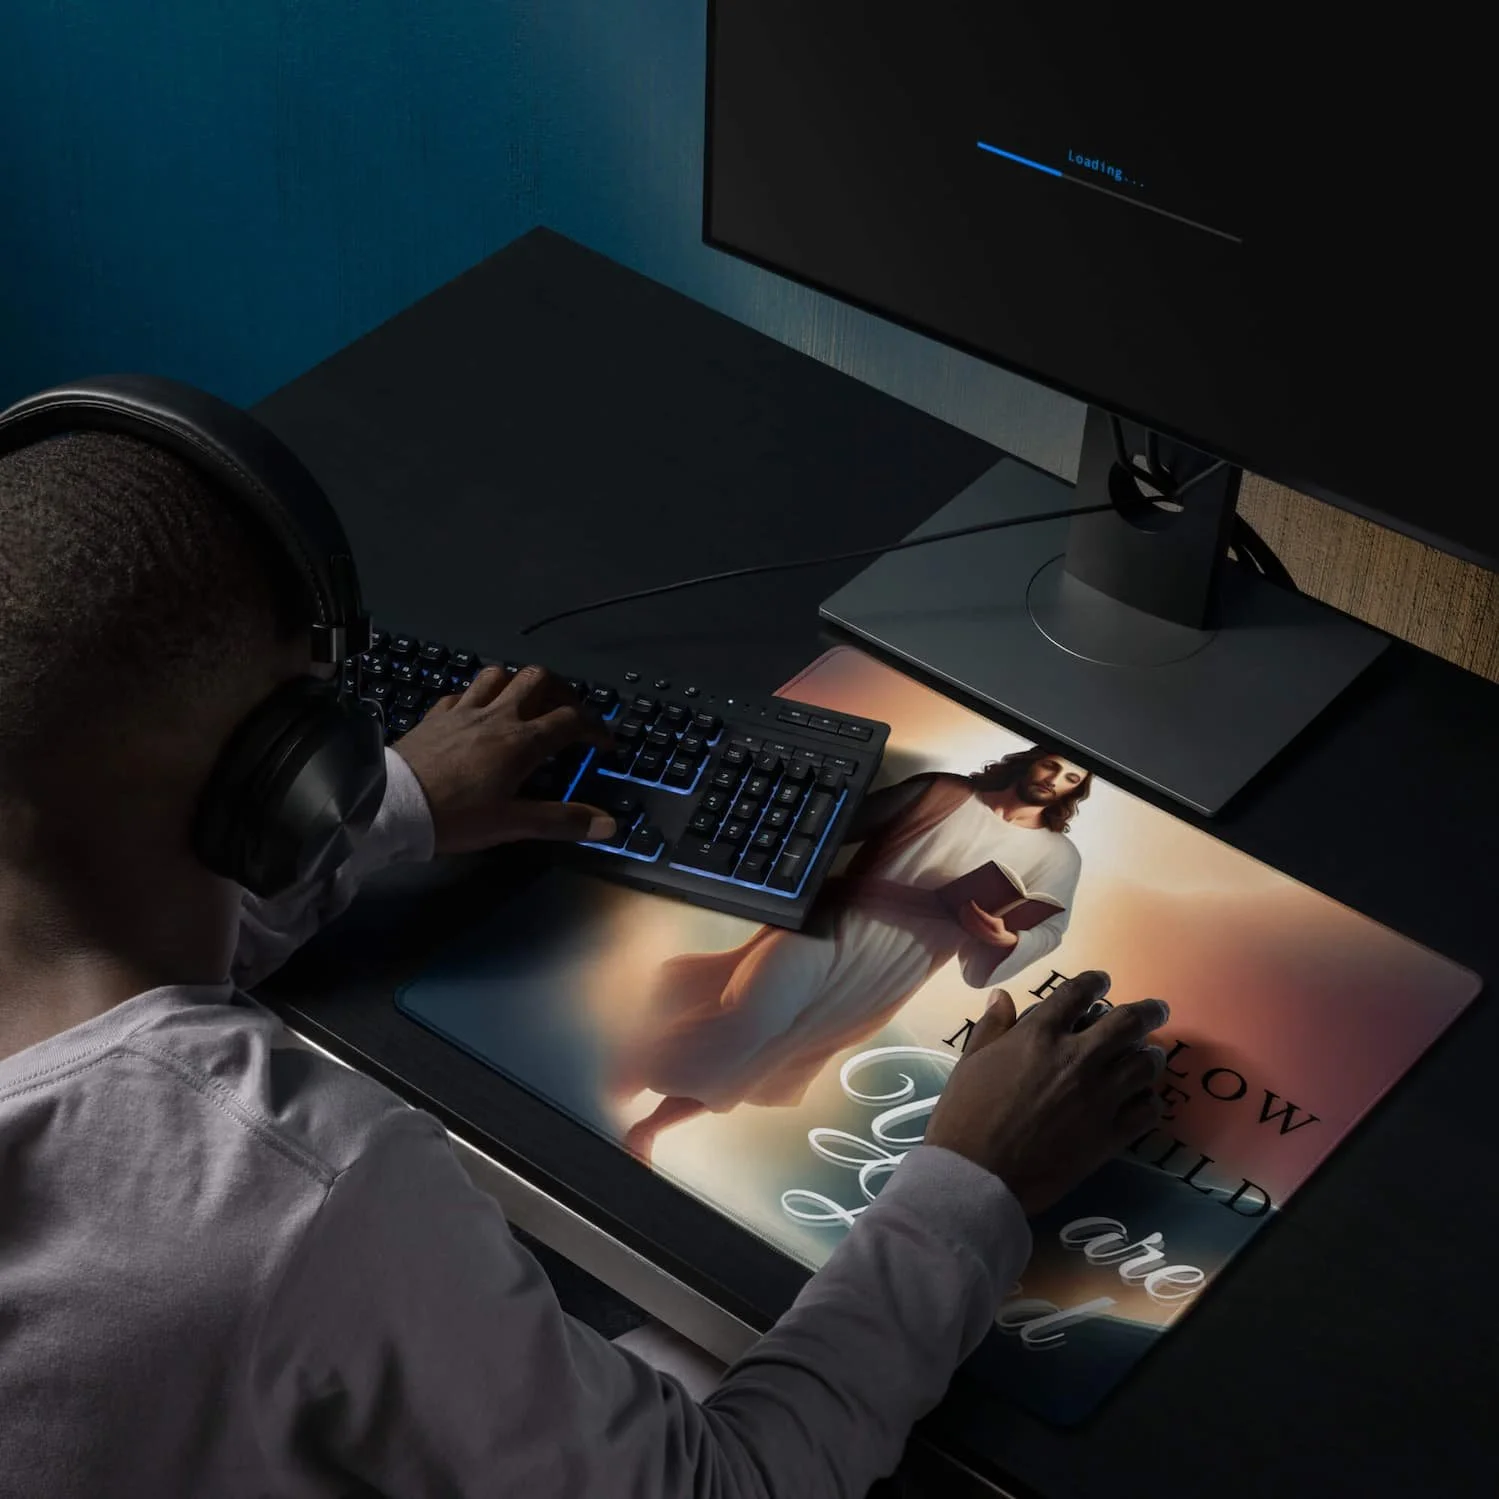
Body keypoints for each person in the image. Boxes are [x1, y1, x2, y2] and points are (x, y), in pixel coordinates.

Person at [0, 428, 1169, 1499]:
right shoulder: (295, 1189)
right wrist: (970, 1179)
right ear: (290, 776)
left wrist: (395, 804)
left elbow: (112, 904)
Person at [618, 751, 1090, 1162]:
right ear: (1030, 761)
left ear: (1076, 791)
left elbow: (1050, 930)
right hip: (839, 919)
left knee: (774, 1050)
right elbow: (830, 826)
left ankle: (649, 1129)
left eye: (1070, 778)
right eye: (1052, 766)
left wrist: (1005, 939)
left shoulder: (1059, 856)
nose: (1055, 780)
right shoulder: (942, 792)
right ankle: (629, 1075)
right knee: (755, 1017)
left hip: (902, 963)